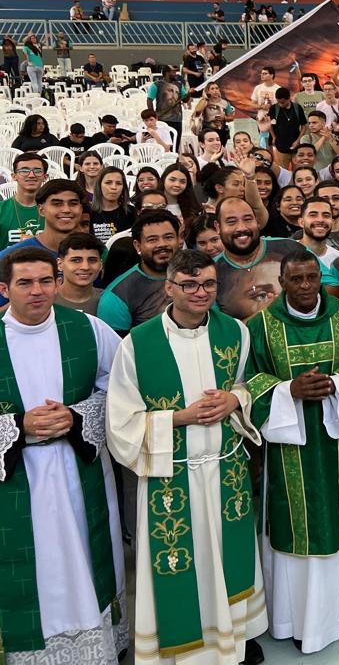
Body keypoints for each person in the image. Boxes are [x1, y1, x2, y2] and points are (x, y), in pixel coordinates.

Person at [106, 249, 268, 665]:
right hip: (172, 476)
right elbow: (120, 422)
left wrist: (234, 400)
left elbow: (249, 384)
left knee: (230, 559)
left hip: (225, 469)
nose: (200, 292)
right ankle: (189, 649)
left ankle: (236, 637)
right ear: (169, 288)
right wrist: (180, 418)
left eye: (209, 284)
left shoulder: (235, 332)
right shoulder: (137, 345)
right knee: (183, 566)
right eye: (190, 284)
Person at [0, 247, 127, 665]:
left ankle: (97, 647)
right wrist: (17, 426)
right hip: (18, 479)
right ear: (4, 289)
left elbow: (123, 389)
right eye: (24, 283)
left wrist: (77, 417)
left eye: (45, 281)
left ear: (57, 283)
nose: (36, 291)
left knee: (87, 560)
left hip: (80, 468)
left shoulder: (90, 329)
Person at [243, 251, 339, 653]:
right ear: (281, 282)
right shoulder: (261, 325)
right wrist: (288, 391)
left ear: (321, 277)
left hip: (337, 436)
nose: (305, 287)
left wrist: (338, 384)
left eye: (312, 277)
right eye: (295, 279)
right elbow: (250, 380)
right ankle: (294, 616)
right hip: (288, 446)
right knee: (295, 524)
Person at [97, 209, 181, 333]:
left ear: (179, 240)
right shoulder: (117, 295)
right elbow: (117, 344)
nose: (162, 244)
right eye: (152, 239)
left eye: (168, 237)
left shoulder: (198, 276)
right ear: (137, 246)